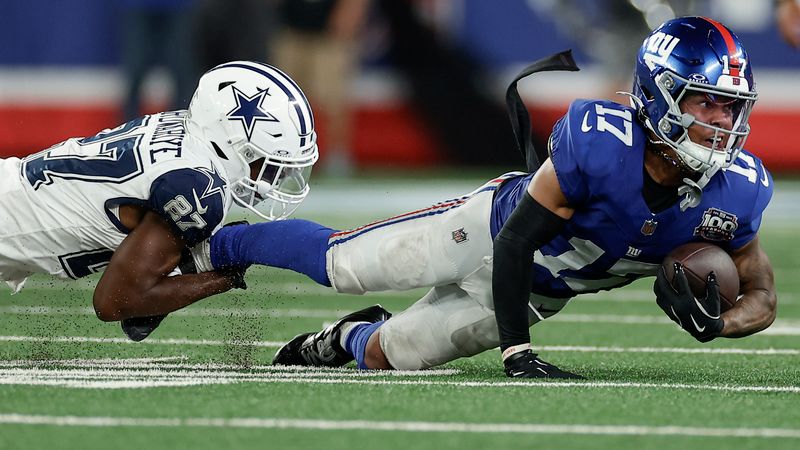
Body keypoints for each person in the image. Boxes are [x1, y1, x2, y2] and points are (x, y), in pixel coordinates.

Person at [206, 17, 776, 378]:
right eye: (706, 103)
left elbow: (763, 297)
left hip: (536, 294)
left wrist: (717, 325)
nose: (722, 121)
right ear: (660, 96)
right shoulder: (602, 144)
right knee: (343, 265)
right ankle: (216, 245)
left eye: (731, 106)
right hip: (484, 232)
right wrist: (516, 352)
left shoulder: (737, 192)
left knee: (389, 355)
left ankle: (340, 338)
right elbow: (518, 239)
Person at [0, 61, 318, 341]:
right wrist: (223, 278)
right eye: (270, 165)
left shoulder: (182, 129)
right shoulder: (199, 188)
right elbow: (115, 302)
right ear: (233, 142)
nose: (274, 180)